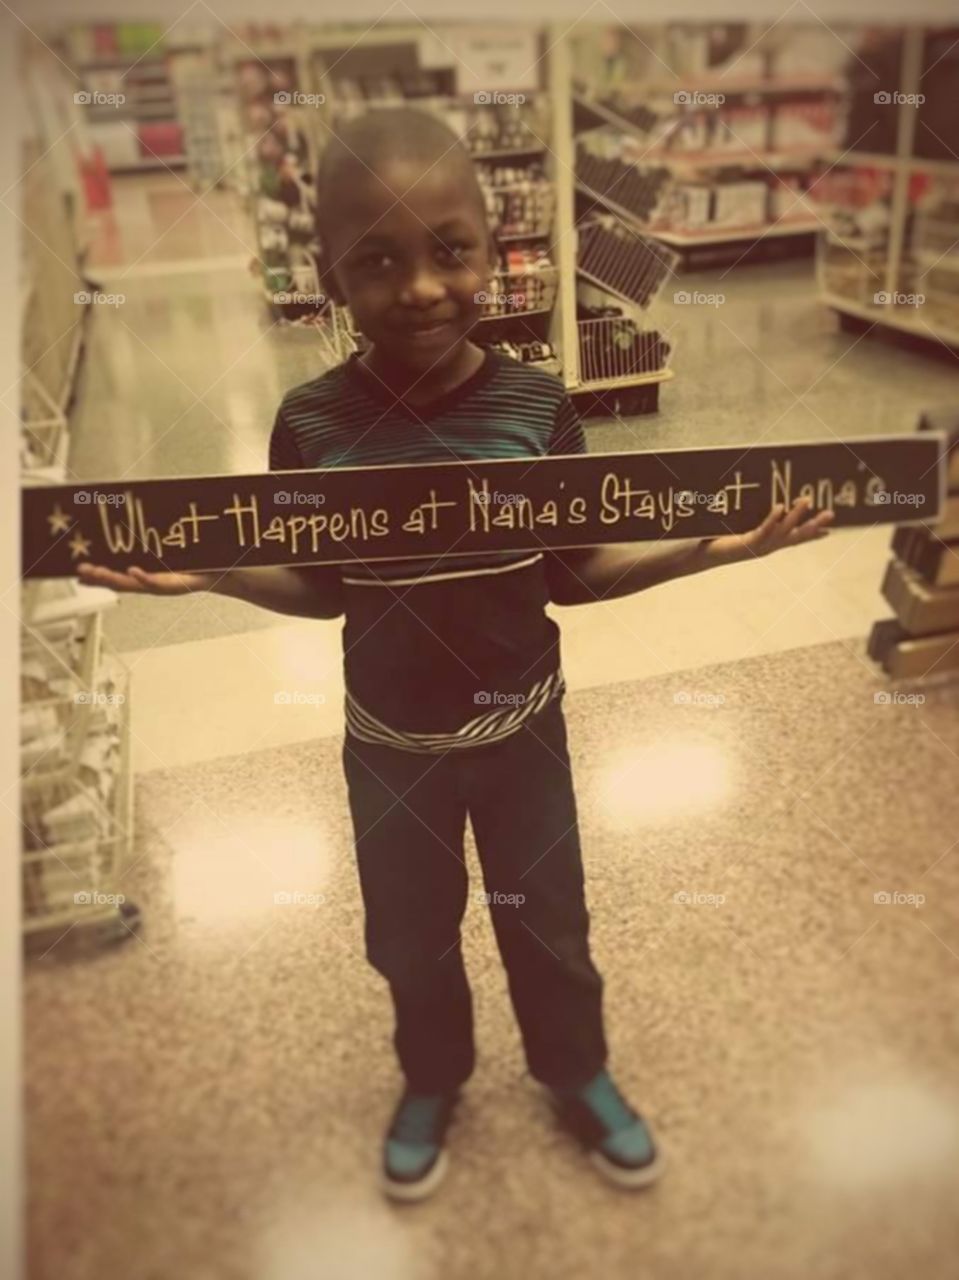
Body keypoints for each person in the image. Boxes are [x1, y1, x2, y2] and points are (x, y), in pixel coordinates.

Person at [78, 107, 833, 1203]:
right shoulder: (311, 423)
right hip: (389, 750)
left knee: (552, 927)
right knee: (408, 938)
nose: (422, 286)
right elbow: (331, 587)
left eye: (450, 249)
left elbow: (573, 572)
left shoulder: (535, 405)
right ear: (330, 276)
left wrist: (711, 548)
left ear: (493, 249)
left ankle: (574, 1070)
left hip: (522, 732)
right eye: (377, 260)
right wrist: (214, 573)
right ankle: (432, 1077)